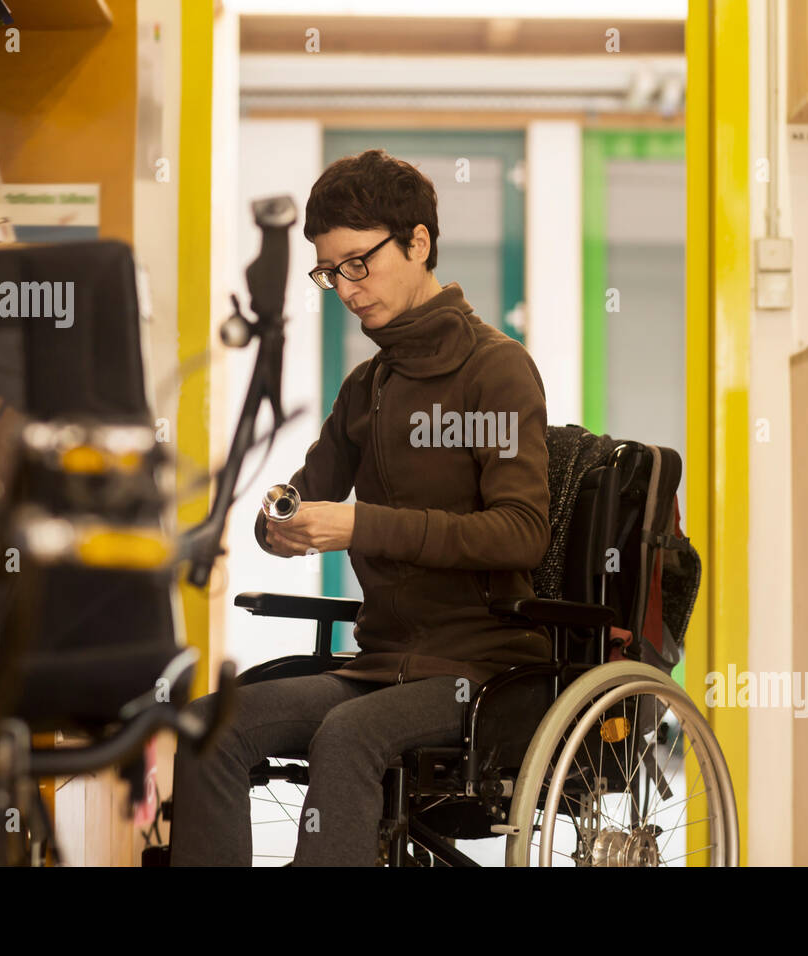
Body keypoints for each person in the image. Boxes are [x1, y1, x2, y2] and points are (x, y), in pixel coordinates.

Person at [170, 149, 552, 866]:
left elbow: (520, 535)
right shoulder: (368, 385)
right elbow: (303, 494)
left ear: (418, 242)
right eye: (330, 272)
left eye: (358, 263)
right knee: (209, 727)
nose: (345, 288)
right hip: (380, 665)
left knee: (348, 735)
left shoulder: (495, 369)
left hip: (482, 672)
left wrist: (358, 525)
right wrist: (278, 518)